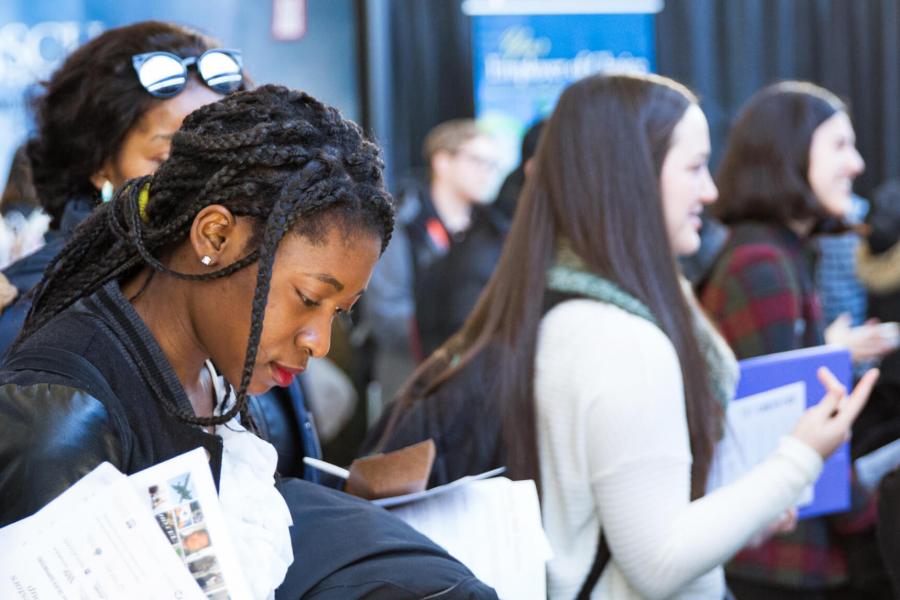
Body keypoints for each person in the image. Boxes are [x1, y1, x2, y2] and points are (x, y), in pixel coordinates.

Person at [370, 72, 878, 599]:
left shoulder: (564, 309)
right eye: (694, 167)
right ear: (633, 177)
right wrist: (800, 456)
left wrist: (749, 507)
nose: (711, 190)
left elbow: (627, 514)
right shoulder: (623, 341)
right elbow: (658, 563)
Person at [0, 85, 496, 599]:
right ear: (214, 237)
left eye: (340, 314)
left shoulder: (215, 372)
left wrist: (344, 504)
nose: (319, 342)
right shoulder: (65, 412)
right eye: (307, 298)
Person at [700, 81, 895, 599]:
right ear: (787, 153)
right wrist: (869, 512)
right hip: (778, 561)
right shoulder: (762, 263)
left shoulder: (774, 254)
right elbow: (782, 427)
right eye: (838, 145)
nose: (855, 164)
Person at [0, 21, 241, 354]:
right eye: (170, 156)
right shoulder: (34, 311)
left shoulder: (243, 284)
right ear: (99, 165)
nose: (209, 178)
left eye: (224, 151)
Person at [360, 119, 499, 405]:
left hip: (473, 383)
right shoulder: (403, 224)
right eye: (476, 161)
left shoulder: (491, 230)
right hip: (410, 381)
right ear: (442, 162)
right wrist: (456, 334)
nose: (487, 173)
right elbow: (385, 309)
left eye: (492, 165)